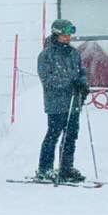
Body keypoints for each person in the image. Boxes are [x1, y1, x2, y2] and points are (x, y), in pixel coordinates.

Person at [36, 18, 89, 182]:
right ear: (57, 34)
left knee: (71, 135)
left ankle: (66, 167)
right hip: (56, 103)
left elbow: (81, 73)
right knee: (53, 134)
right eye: (64, 35)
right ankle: (45, 168)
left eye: (69, 35)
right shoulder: (46, 55)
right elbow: (48, 79)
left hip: (74, 102)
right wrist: (68, 83)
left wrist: (83, 85)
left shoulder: (74, 53)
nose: (68, 38)